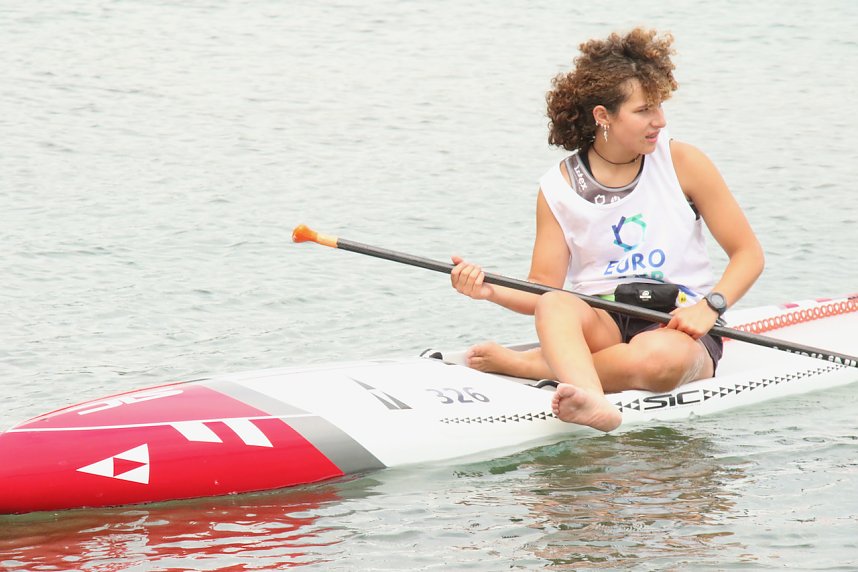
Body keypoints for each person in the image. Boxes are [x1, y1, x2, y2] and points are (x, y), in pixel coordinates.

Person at [449, 28, 764, 432]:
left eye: (659, 106)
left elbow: (748, 254)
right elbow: (542, 287)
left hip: (679, 321)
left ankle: (537, 365)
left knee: (660, 361)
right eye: (644, 110)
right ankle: (594, 401)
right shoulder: (558, 186)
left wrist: (710, 307)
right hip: (602, 321)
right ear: (603, 116)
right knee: (555, 304)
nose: (660, 120)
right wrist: (488, 289)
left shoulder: (684, 162)